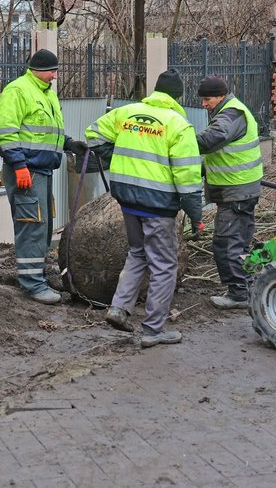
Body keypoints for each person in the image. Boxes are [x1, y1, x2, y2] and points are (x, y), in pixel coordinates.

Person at [86, 69, 204, 348]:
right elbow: (188, 179)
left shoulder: (126, 113)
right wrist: (196, 216)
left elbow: (93, 135)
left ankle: (118, 308)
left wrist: (116, 157)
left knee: (137, 253)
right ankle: (153, 329)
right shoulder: (179, 125)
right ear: (178, 96)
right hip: (158, 205)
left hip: (127, 200)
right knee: (164, 265)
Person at [0, 49, 87, 305]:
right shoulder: (18, 90)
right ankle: (32, 284)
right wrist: (19, 166)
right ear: (38, 69)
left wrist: (68, 143)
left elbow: (45, 132)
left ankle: (38, 276)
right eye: (52, 71)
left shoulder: (45, 93)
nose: (55, 75)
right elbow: (6, 133)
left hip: (42, 170)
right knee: (31, 225)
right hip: (26, 171)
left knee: (43, 226)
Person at [195, 75, 263, 310]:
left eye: (207, 99)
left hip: (236, 192)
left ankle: (238, 294)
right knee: (240, 243)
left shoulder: (231, 114)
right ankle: (248, 286)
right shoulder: (230, 110)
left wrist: (179, 140)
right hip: (240, 190)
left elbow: (212, 139)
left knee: (226, 243)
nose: (204, 104)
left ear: (221, 96)